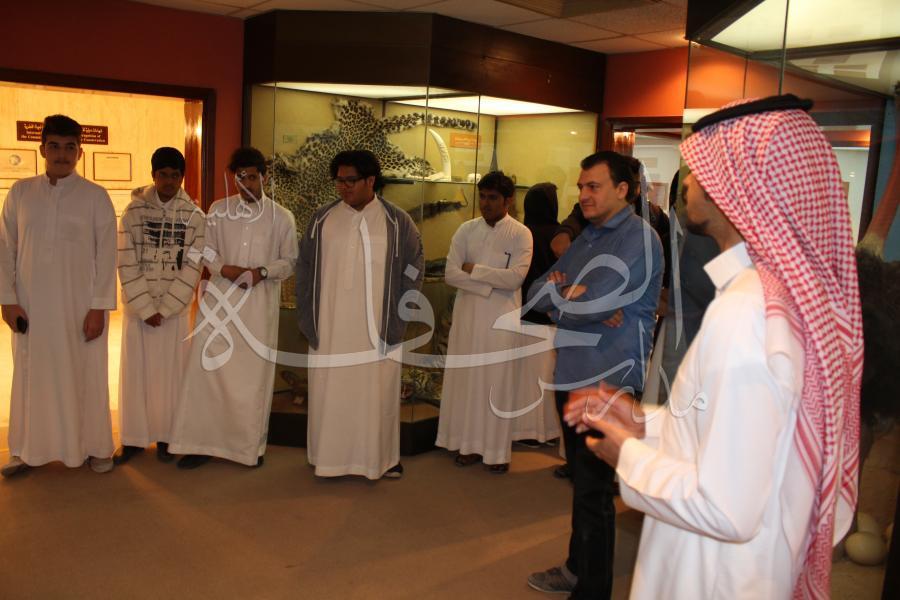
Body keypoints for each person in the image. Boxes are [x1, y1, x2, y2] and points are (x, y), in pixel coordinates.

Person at [564, 95, 863, 599]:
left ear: (737, 185)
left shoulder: (748, 312)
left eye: (701, 168)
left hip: (714, 574)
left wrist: (627, 455)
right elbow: (727, 433)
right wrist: (646, 422)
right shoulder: (766, 296)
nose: (688, 182)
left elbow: (726, 507)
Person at [526, 151, 663, 598]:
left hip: (608, 382)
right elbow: (534, 293)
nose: (583, 195)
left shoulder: (640, 239)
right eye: (581, 187)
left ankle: (592, 589)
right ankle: (576, 568)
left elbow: (595, 303)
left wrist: (570, 297)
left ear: (623, 190)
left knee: (594, 493)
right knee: (583, 488)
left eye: (593, 186)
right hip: (570, 373)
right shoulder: (587, 237)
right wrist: (573, 294)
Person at [0, 114, 117, 477]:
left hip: (80, 307)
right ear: (42, 149)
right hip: (31, 306)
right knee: (30, 376)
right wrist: (7, 299)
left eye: (70, 147)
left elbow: (107, 255)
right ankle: (25, 450)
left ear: (80, 152)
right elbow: (5, 248)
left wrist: (99, 308)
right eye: (54, 146)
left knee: (86, 374)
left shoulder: (95, 197)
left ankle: (95, 447)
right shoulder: (21, 193)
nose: (62, 154)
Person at [297, 150, 423, 480]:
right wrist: (307, 315)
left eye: (350, 180)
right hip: (330, 327)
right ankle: (327, 457)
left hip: (379, 328)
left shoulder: (397, 222)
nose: (343, 187)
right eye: (339, 180)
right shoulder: (322, 219)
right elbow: (305, 267)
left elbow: (413, 269)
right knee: (330, 391)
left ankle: (382, 459)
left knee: (377, 394)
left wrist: (400, 316)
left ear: (370, 180)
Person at [169, 147, 297, 469]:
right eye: (240, 178)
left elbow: (289, 260)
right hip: (219, 302)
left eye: (252, 177)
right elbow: (204, 250)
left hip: (258, 305)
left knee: (251, 379)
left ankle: (247, 448)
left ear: (264, 176)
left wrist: (262, 272)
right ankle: (200, 444)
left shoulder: (281, 217)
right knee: (208, 372)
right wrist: (224, 268)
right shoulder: (218, 210)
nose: (246, 184)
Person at [435, 171, 533, 474]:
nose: (485, 203)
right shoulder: (466, 230)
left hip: (501, 320)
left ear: (508, 200)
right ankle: (466, 446)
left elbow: (515, 278)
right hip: (467, 317)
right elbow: (451, 273)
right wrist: (490, 285)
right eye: (483, 197)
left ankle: (496, 451)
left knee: (496, 383)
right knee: (467, 381)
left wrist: (474, 270)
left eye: (493, 198)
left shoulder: (521, 234)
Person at [114, 147, 206, 465]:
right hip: (138, 313)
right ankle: (133, 440)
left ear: (182, 177)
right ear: (153, 175)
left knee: (172, 378)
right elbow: (125, 262)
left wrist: (165, 308)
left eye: (175, 175)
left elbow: (193, 267)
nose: (168, 181)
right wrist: (145, 307)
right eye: (163, 174)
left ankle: (169, 437)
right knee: (135, 376)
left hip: (173, 314)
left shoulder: (195, 217)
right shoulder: (133, 213)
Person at [513, 182, 562, 448]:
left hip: (521, 313)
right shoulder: (558, 235)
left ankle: (525, 431)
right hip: (550, 316)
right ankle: (549, 432)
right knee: (548, 379)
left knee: (524, 379)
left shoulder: (522, 233)